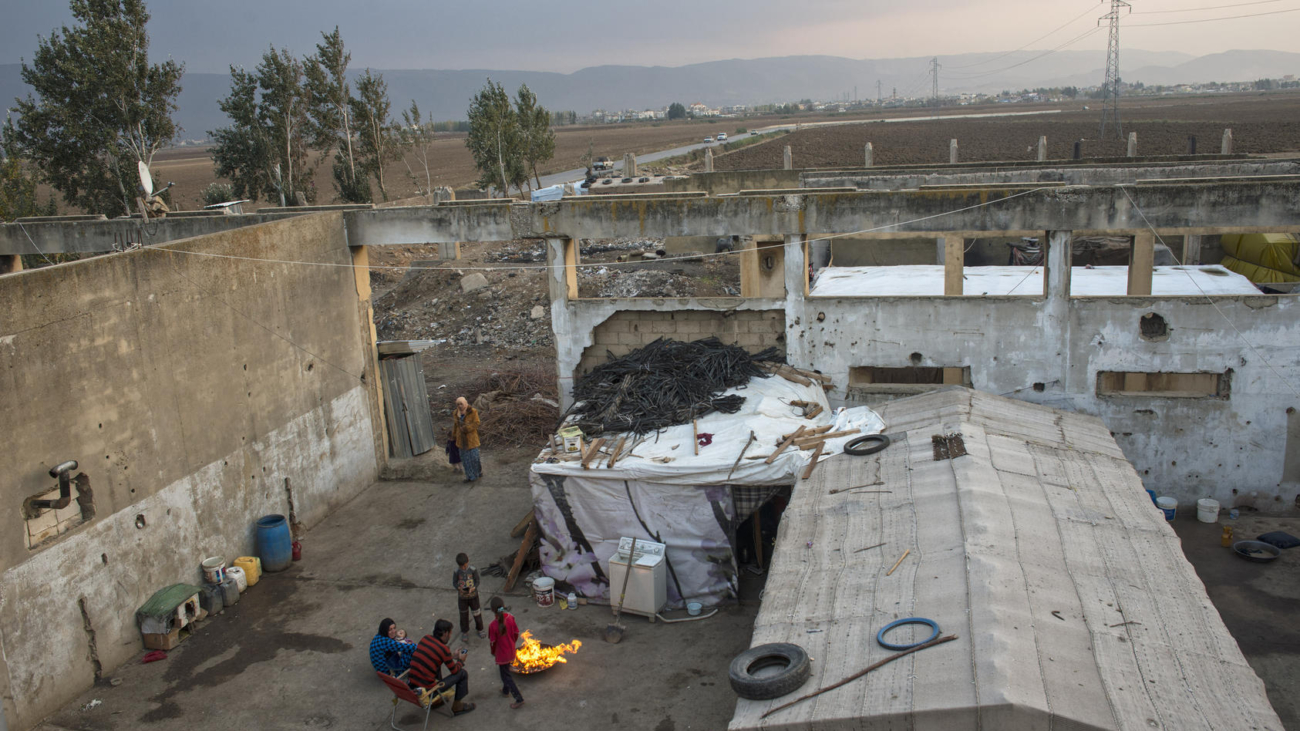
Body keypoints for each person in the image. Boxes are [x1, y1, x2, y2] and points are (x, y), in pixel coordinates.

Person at [407, 619, 476, 717]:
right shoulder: (443, 649)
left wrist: (451, 656)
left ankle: (438, 700)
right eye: (450, 633)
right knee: (463, 673)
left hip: (413, 686)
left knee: (436, 663)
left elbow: (434, 656)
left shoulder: (425, 638)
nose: (450, 636)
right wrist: (461, 661)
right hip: (428, 692)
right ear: (446, 633)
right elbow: (455, 670)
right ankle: (457, 706)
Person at [487, 596, 525, 709]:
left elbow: (493, 643)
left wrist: (493, 652)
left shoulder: (492, 626)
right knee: (505, 671)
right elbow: (516, 632)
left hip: (502, 654)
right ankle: (505, 691)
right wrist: (512, 642)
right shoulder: (510, 618)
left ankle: (519, 698)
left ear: (493, 610)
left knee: (505, 676)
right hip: (511, 650)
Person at [453, 552, 486, 642]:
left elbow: (477, 581)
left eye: (464, 566)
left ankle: (480, 629)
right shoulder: (456, 572)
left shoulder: (473, 570)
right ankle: (465, 631)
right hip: (462, 598)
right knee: (463, 615)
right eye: (461, 566)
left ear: (467, 562)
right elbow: (454, 582)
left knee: (477, 614)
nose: (463, 568)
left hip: (473, 597)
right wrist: (459, 588)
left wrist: (474, 588)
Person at [451, 397, 482, 483]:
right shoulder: (455, 413)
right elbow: (455, 425)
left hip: (471, 439)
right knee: (465, 459)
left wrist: (466, 428)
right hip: (461, 440)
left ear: (465, 403)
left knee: (474, 458)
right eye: (458, 404)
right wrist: (454, 435)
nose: (460, 406)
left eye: (461, 404)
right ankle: (470, 476)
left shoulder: (473, 411)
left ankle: (478, 472)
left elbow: (476, 423)